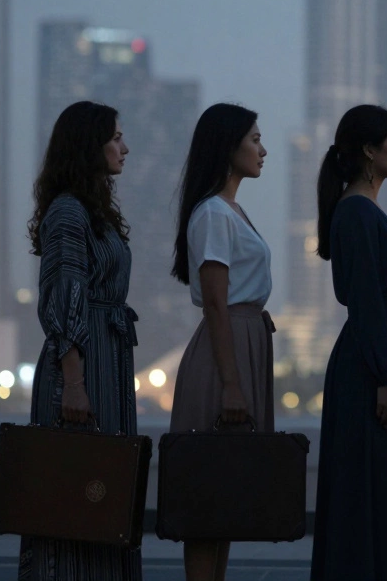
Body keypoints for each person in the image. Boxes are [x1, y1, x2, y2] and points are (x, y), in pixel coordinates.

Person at [310, 104, 387, 580]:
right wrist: (385, 376)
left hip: (384, 353)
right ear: (368, 149)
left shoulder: (364, 209)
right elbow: (363, 299)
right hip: (373, 364)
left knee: (384, 485)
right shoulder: (357, 212)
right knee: (377, 485)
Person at [19, 100, 140, 581]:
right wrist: (73, 383)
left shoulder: (92, 212)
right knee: (74, 499)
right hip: (84, 370)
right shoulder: (69, 213)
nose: (124, 148)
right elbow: (62, 298)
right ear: (88, 144)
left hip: (107, 364)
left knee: (104, 497)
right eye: (114, 138)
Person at [169, 103, 275, 581]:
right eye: (254, 139)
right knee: (209, 494)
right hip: (224, 352)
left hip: (242, 343)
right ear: (228, 146)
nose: (262, 149)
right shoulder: (213, 213)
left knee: (228, 494)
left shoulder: (231, 209)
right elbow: (215, 302)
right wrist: (231, 384)